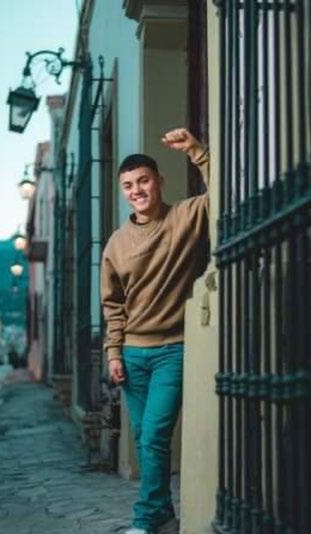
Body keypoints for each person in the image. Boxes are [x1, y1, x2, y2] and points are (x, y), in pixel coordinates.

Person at [101, 128, 209, 534]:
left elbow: (226, 195)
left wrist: (196, 151)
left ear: (159, 181)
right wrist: (114, 352)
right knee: (147, 439)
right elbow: (113, 305)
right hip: (132, 355)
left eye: (143, 181)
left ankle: (145, 519)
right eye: (128, 185)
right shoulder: (116, 244)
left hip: (172, 350)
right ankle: (162, 515)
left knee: (154, 435)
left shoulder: (186, 216)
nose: (137, 190)